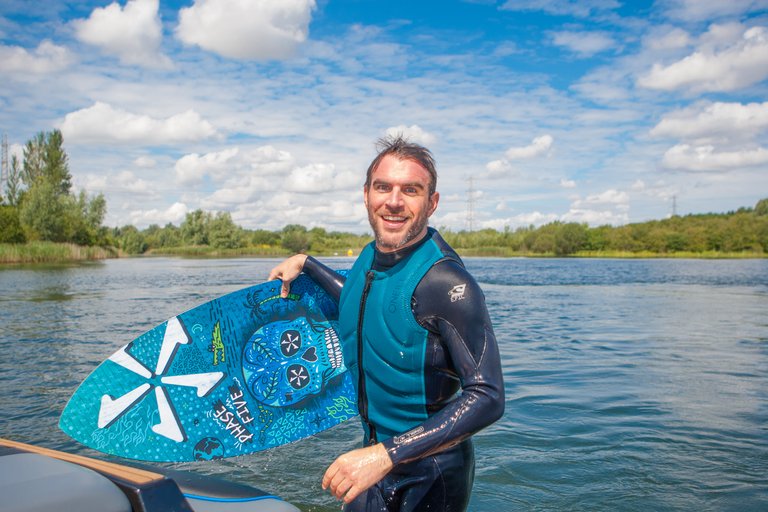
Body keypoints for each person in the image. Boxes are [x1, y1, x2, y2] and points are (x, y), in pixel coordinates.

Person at [268, 136, 504, 511]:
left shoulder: (447, 283)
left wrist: (385, 455)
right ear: (366, 195)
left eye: (411, 190)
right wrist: (308, 264)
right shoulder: (371, 256)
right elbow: (368, 301)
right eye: (384, 187)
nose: (394, 201)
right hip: (375, 457)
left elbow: (488, 397)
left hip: (430, 474)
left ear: (432, 202)